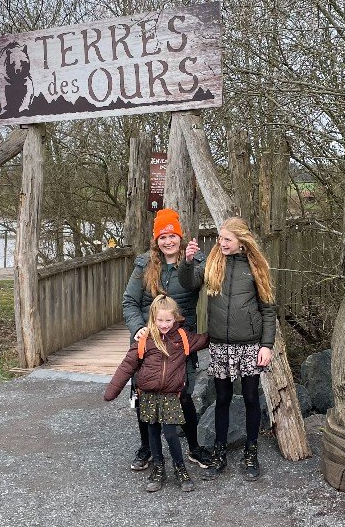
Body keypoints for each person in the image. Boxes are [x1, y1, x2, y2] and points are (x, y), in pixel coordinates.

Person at [178, 216, 276, 481]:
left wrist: (266, 346)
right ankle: (220, 450)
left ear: (241, 242)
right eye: (220, 238)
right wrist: (187, 263)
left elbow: (268, 310)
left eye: (227, 239)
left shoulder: (256, 268)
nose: (221, 243)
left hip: (249, 345)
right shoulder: (212, 263)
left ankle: (251, 452)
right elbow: (188, 283)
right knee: (221, 398)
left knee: (251, 398)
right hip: (220, 344)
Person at [122, 208, 211, 472]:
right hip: (148, 342)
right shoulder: (144, 265)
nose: (168, 241)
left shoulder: (194, 262)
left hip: (179, 343)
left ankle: (193, 448)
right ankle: (147, 448)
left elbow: (203, 282)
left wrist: (191, 261)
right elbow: (130, 301)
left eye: (173, 235)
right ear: (156, 240)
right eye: (163, 237)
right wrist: (138, 328)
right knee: (143, 396)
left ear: (180, 237)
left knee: (183, 395)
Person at [105, 295, 209, 492]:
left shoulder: (183, 337)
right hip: (148, 395)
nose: (164, 324)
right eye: (159, 320)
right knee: (153, 431)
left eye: (168, 320)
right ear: (153, 318)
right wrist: (112, 390)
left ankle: (180, 468)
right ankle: (158, 467)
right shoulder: (144, 339)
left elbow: (205, 340)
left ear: (176, 318)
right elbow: (127, 365)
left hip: (171, 395)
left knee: (170, 433)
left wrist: (229, 332)